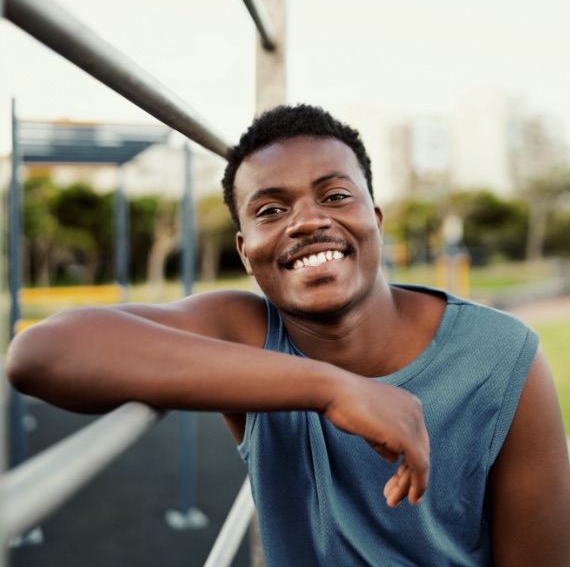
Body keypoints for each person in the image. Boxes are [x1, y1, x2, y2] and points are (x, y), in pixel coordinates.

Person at [6, 104, 570, 567]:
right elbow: (42, 353)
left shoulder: (502, 358)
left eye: (335, 196)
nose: (305, 221)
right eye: (271, 209)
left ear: (375, 218)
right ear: (245, 252)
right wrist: (331, 388)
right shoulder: (247, 332)